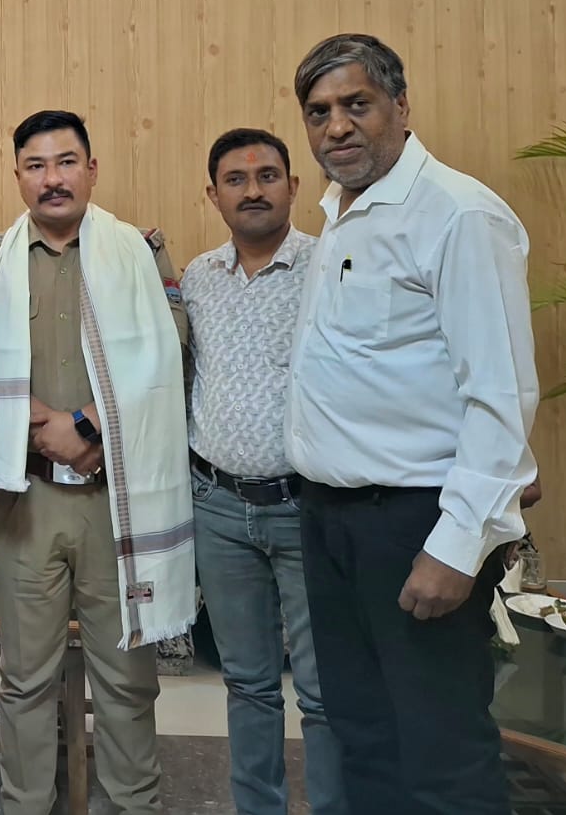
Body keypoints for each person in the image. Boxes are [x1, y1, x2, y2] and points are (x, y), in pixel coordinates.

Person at [285, 33, 538, 814]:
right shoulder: (339, 214)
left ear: (400, 105)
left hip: (416, 524)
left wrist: (457, 545)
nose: (337, 127)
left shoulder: (458, 214)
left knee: (441, 753)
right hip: (331, 522)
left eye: (356, 104)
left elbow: (500, 396)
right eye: (319, 112)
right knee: (363, 735)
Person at [0, 109, 192, 815]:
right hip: (25, 501)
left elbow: (170, 350)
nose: (52, 179)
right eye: (36, 166)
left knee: (126, 678)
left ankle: (131, 804)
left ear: (92, 170)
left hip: (115, 497)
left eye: (66, 162)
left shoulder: (139, 252)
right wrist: (40, 429)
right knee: (25, 679)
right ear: (18, 176)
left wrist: (89, 423)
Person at [183, 128, 343, 815]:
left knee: (323, 690)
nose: (253, 190)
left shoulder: (329, 266)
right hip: (218, 506)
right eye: (236, 179)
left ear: (293, 186)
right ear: (213, 194)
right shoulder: (197, 277)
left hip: (307, 507)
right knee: (247, 683)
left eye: (268, 175)